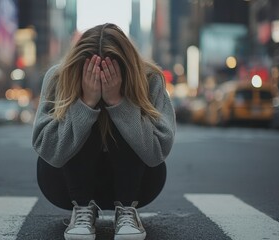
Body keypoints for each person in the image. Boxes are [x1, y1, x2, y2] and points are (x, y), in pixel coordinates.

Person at [32, 23, 176, 240]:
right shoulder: (58, 77)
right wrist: (86, 103)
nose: (100, 78)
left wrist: (118, 102)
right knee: (89, 118)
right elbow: (49, 151)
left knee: (122, 121)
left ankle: (127, 210)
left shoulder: (149, 78)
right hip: (65, 186)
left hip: (139, 186)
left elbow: (156, 153)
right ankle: (82, 209)